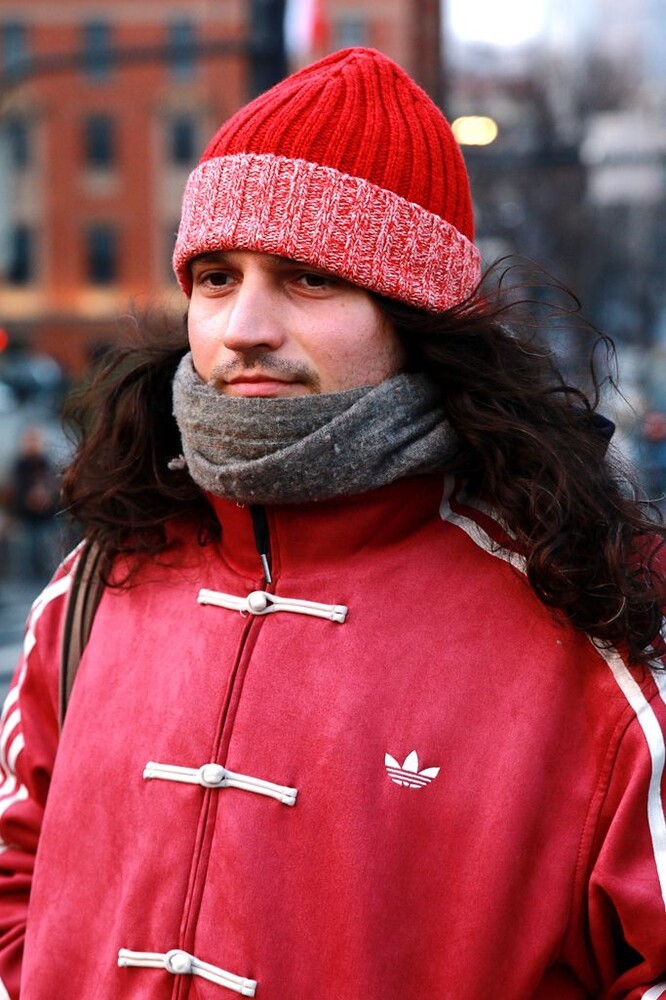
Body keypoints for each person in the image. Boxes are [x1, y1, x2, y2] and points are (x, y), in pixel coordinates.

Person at [0, 47, 665, 1000]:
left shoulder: (588, 619)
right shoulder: (91, 591)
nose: (244, 327)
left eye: (308, 278)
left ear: (415, 315)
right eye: (216, 277)